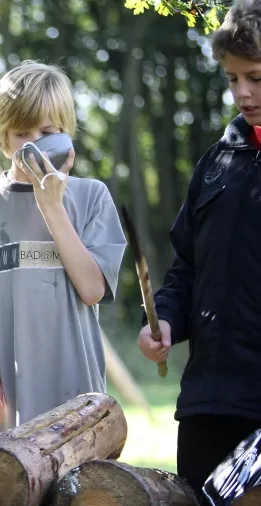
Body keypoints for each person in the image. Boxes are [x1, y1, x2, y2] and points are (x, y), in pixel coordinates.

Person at [0, 61, 127, 431]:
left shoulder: (91, 196)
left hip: (75, 396)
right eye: (21, 134)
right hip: (1, 396)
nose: (35, 144)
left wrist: (51, 206)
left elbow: (92, 290)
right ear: (0, 134)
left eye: (47, 131)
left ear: (66, 131)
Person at [136, 0, 261, 498]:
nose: (243, 93)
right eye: (232, 79)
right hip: (208, 403)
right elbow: (186, 267)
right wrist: (165, 319)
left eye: (255, 76)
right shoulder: (216, 163)